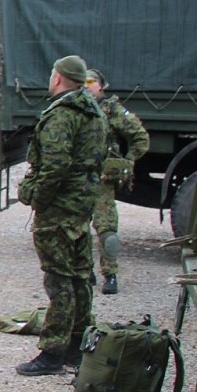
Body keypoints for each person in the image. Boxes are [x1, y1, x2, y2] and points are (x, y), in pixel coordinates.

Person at [15, 55, 108, 376]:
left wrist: (34, 195)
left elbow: (54, 166)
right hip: (81, 205)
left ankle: (53, 351)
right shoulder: (93, 112)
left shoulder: (62, 115)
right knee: (80, 274)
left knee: (59, 278)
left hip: (59, 209)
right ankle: (77, 346)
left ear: (57, 78)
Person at [85, 69, 149, 295]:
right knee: (78, 227)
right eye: (82, 81)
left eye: (90, 81)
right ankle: (85, 272)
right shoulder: (74, 108)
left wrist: (127, 161)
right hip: (79, 177)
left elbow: (140, 137)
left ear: (100, 85)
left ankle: (110, 275)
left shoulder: (111, 109)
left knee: (106, 229)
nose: (86, 85)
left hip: (102, 179)